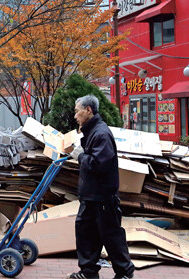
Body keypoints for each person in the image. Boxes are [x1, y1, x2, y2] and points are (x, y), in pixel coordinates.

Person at [68, 95, 134, 279]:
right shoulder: (91, 131)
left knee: (111, 236)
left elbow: (99, 165)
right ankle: (88, 272)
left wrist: (80, 156)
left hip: (103, 197)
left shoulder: (101, 134)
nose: (75, 116)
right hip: (90, 195)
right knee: (86, 234)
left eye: (77, 111)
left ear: (88, 110)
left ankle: (124, 273)